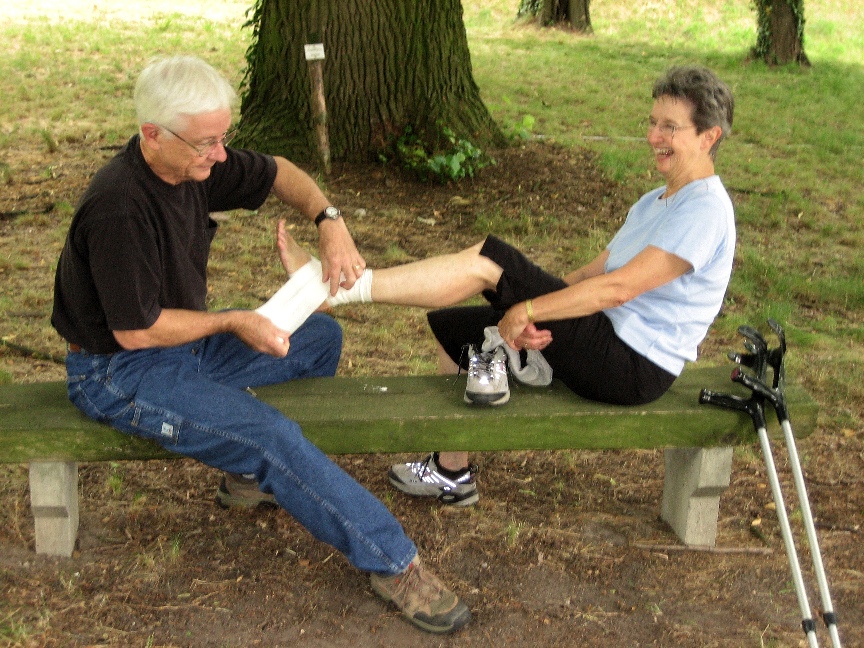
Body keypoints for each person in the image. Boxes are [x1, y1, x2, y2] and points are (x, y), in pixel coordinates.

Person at [50, 55, 471, 635]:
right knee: (271, 436)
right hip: (118, 372)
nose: (219, 155)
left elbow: (280, 172)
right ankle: (395, 563)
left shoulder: (195, 164)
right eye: (206, 143)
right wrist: (232, 322)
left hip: (179, 352)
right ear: (152, 135)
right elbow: (136, 331)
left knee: (318, 336)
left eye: (224, 139)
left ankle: (247, 474)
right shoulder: (119, 206)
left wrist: (329, 220)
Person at [262, 64, 736, 508]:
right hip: (603, 337)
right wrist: (539, 307)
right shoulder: (657, 200)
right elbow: (593, 274)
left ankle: (340, 291)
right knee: (453, 328)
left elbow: (618, 290)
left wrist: (530, 311)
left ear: (708, 136)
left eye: (670, 127)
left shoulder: (704, 209)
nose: (654, 136)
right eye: (652, 122)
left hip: (634, 364)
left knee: (492, 261)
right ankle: (452, 471)